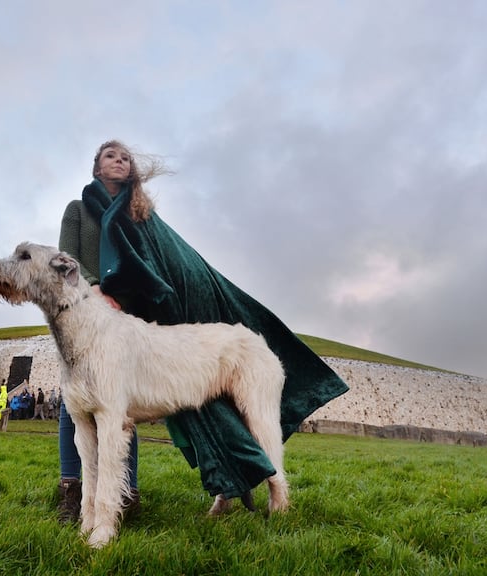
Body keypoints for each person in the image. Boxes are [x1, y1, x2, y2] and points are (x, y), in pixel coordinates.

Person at [54, 140, 349, 522]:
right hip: (85, 317)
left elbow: (170, 260)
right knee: (74, 404)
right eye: (111, 156)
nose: (120, 161)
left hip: (128, 323)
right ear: (97, 167)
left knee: (117, 408)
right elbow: (65, 259)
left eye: (126, 157)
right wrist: (93, 285)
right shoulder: (78, 211)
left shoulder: (140, 213)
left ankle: (127, 491)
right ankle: (70, 489)